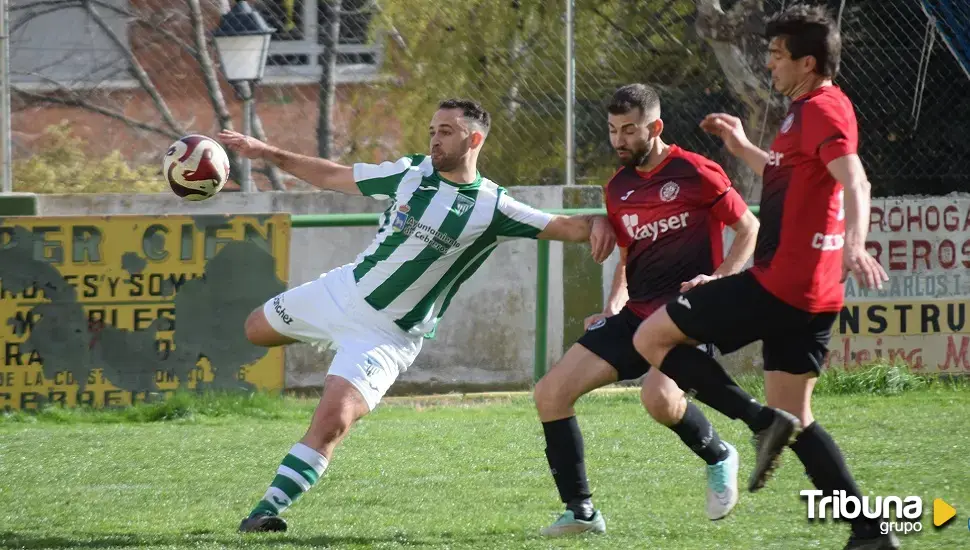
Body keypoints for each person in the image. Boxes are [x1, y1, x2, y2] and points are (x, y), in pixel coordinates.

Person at [218, 98, 617, 533]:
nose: (434, 139)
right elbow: (333, 175)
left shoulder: (493, 207)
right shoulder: (410, 173)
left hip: (386, 336)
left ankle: (265, 511)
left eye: (446, 130)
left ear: (474, 139)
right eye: (432, 130)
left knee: (333, 420)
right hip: (342, 291)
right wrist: (267, 152)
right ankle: (327, 341)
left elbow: (564, 225)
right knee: (255, 329)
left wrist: (602, 221)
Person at [631, 5, 896, 550]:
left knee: (650, 337)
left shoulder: (824, 108)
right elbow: (788, 175)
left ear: (808, 61)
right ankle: (869, 531)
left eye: (777, 56)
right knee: (796, 415)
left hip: (783, 284)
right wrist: (741, 147)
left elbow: (856, 181)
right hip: (813, 295)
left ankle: (756, 422)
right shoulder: (803, 112)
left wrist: (855, 244)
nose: (768, 64)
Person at [533, 83, 760, 536]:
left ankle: (719, 455)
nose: (619, 140)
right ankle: (581, 512)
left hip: (687, 315)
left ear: (655, 127)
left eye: (629, 130)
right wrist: (613, 305)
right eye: (613, 130)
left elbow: (748, 227)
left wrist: (717, 283)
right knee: (550, 394)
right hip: (636, 315)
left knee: (658, 399)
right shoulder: (617, 187)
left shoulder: (696, 171)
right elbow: (628, 253)